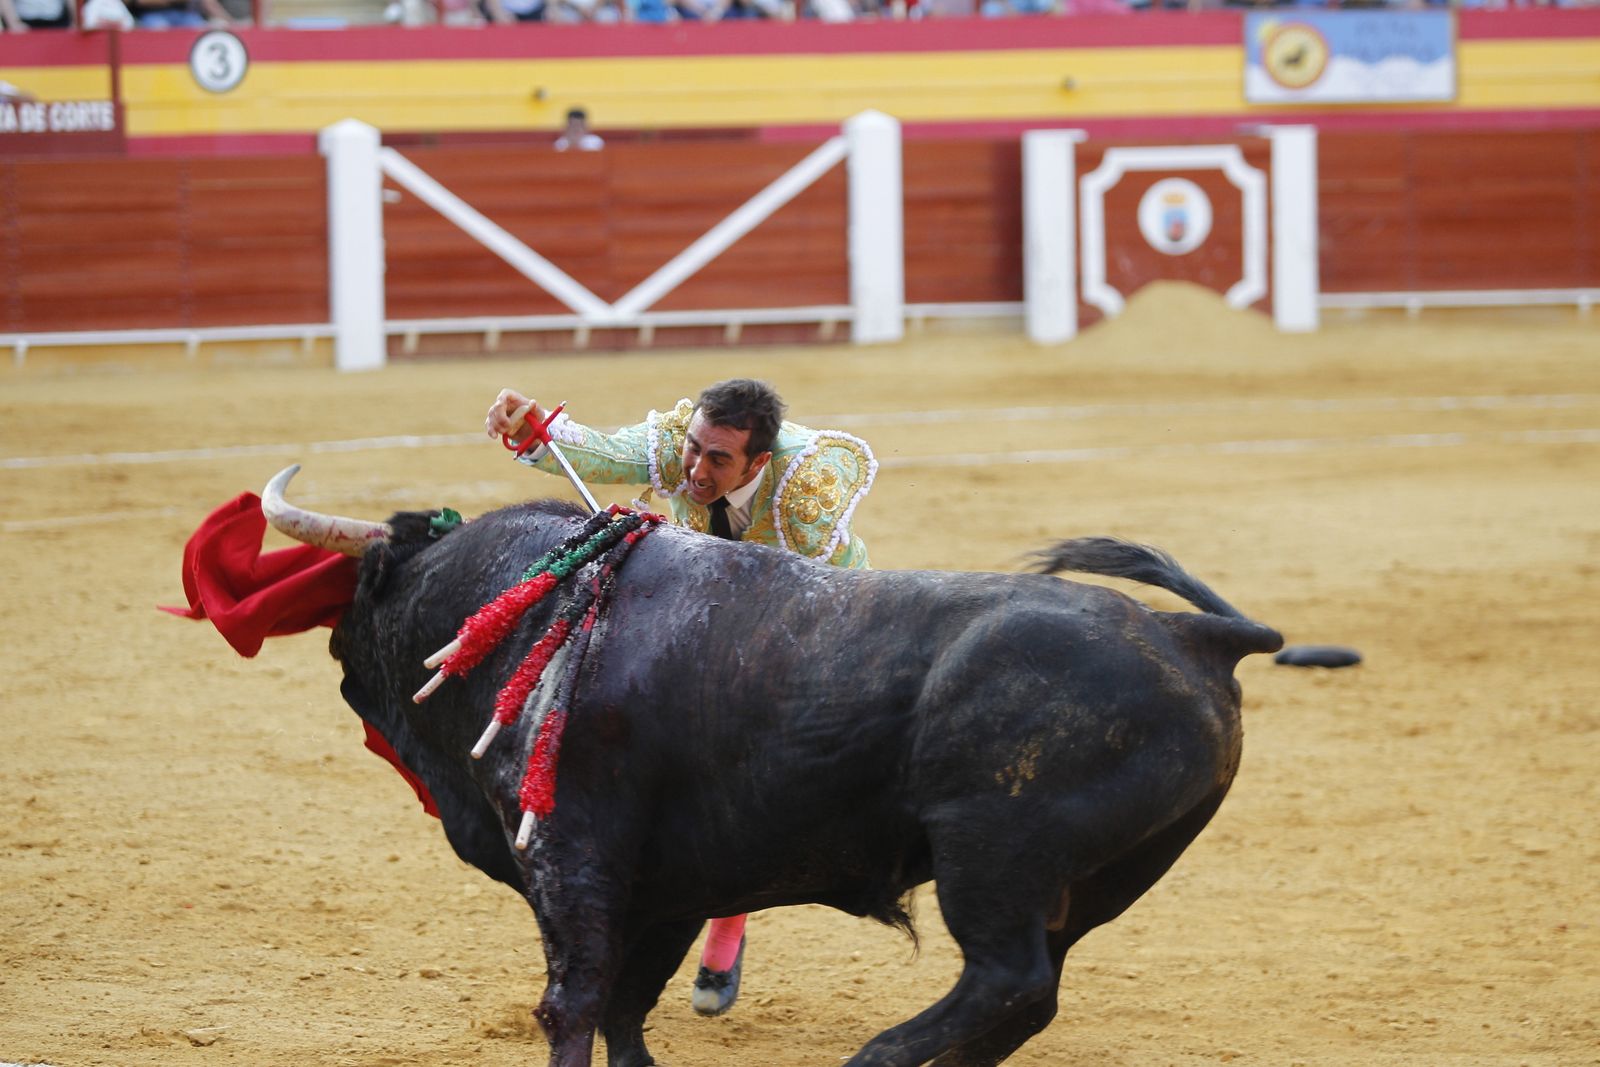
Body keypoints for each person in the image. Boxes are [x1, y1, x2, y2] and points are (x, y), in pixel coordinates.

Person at [484, 378, 877, 1015]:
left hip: (822, 616)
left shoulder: (807, 497)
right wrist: (533, 427)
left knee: (756, 770)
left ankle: (727, 924)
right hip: (715, 591)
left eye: (718, 459)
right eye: (695, 448)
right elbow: (603, 453)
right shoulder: (684, 447)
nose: (696, 467)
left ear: (759, 464)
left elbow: (807, 607)